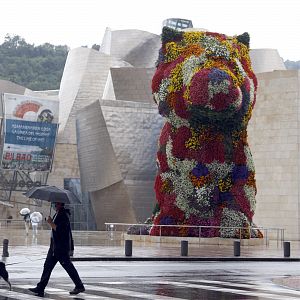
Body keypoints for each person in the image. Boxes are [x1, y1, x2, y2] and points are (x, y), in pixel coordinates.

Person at [28, 202, 85, 297]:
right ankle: (40, 287)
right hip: (54, 246)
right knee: (47, 266)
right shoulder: (58, 213)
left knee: (68, 267)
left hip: (60, 248)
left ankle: (79, 286)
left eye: (56, 203)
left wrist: (50, 223)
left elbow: (60, 230)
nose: (54, 205)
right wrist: (51, 222)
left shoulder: (63, 215)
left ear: (60, 204)